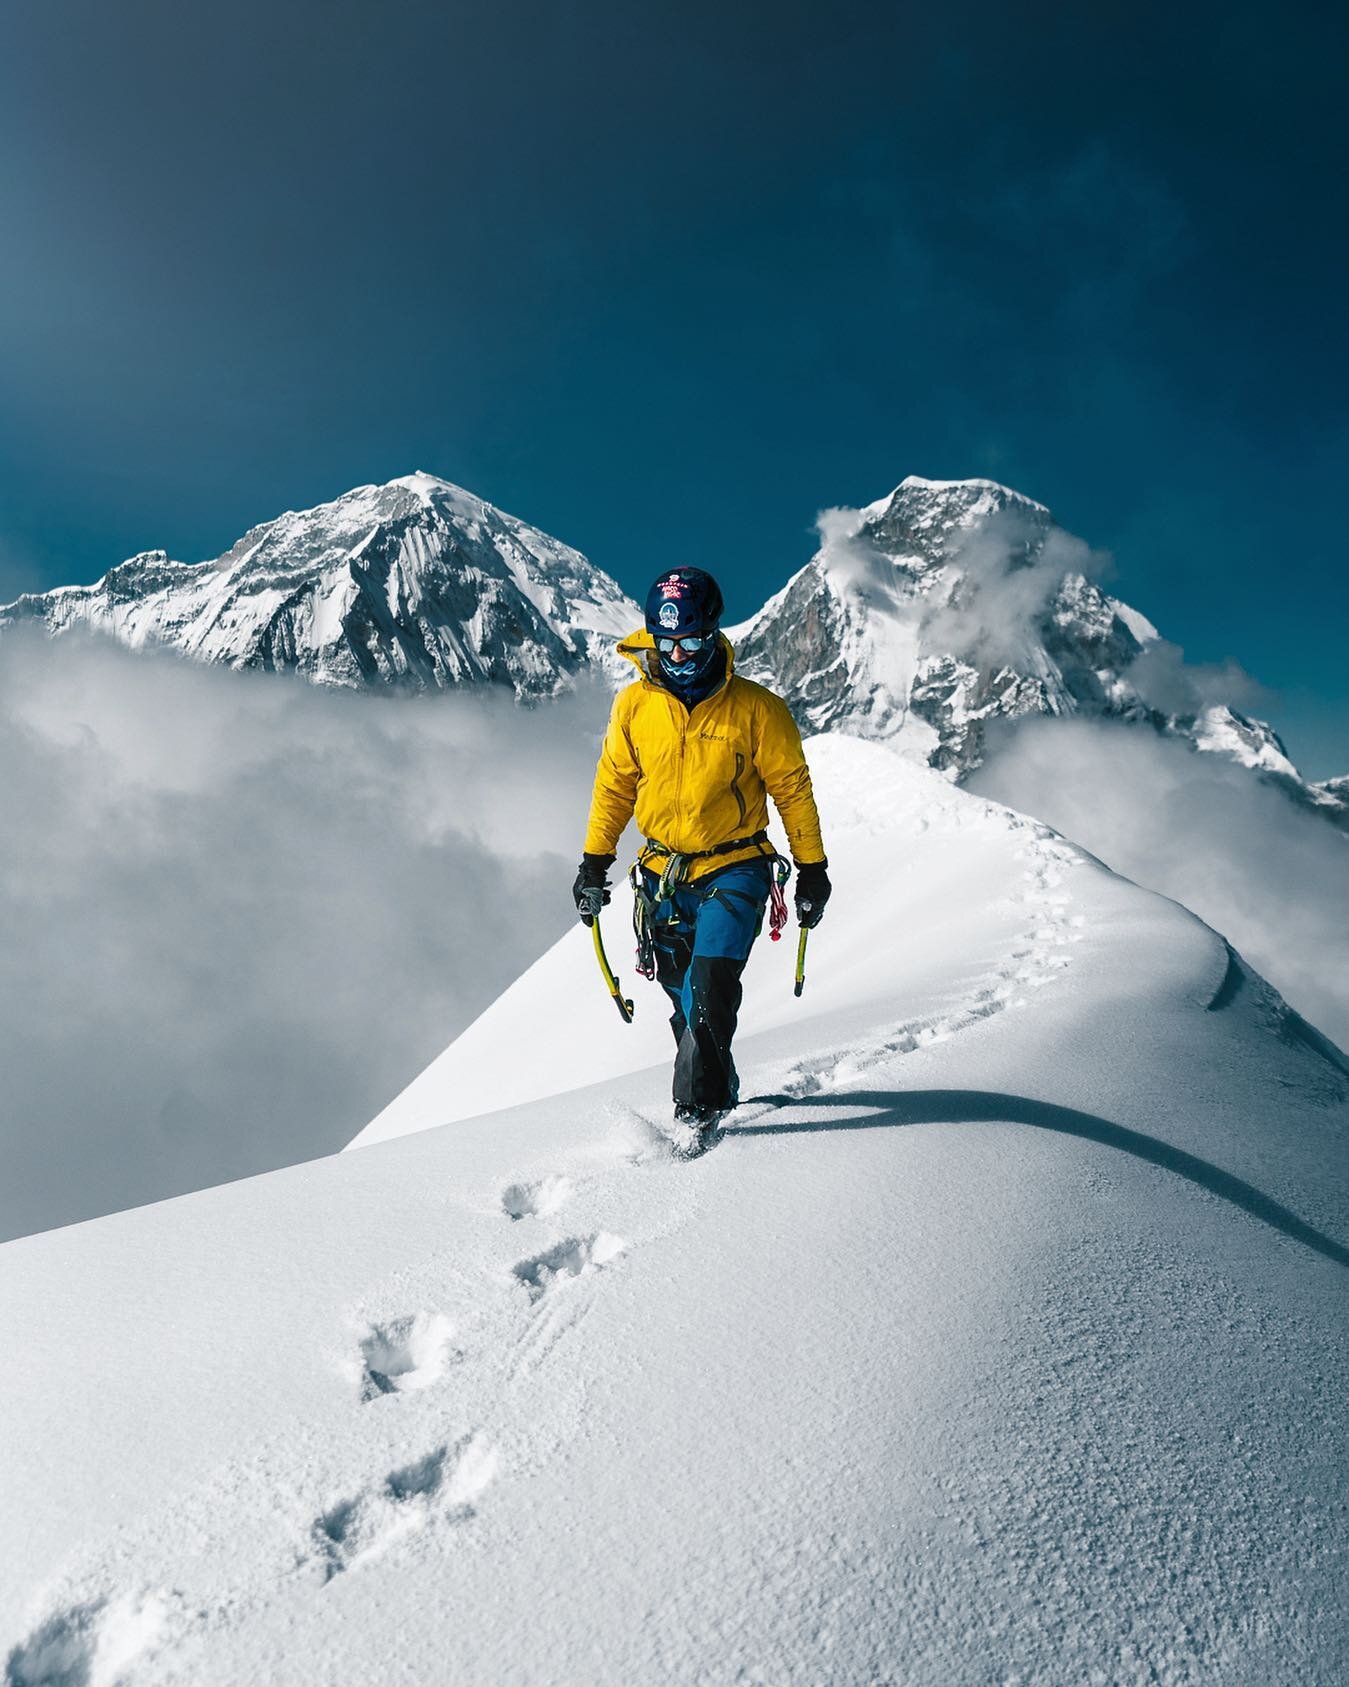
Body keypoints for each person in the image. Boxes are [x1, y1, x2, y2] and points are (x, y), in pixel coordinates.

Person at [573, 566, 830, 1151]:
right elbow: (614, 786)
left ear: (714, 633)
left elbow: (792, 789)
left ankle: (697, 1114)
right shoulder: (635, 706)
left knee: (711, 984)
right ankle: (717, 1077)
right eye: (666, 644)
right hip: (663, 875)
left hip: (736, 866)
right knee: (685, 997)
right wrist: (594, 865)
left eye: (692, 642)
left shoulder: (758, 710)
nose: (679, 655)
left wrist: (812, 868)